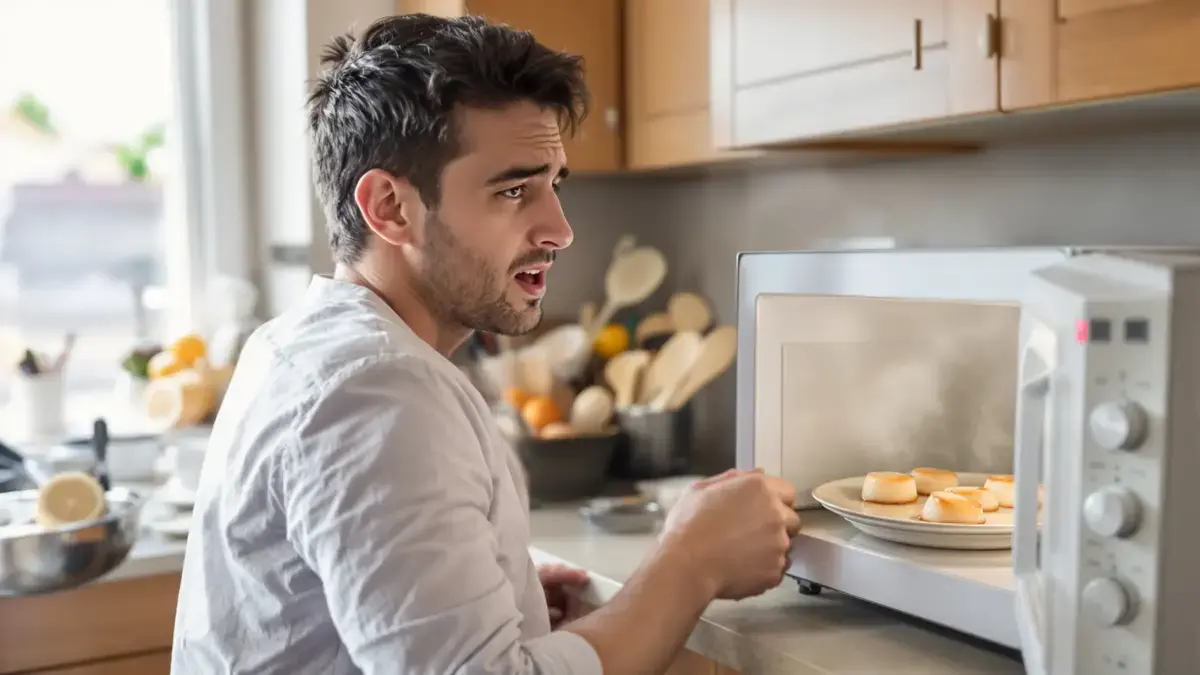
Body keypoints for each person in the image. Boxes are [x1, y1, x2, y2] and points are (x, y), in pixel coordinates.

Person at [170, 13, 801, 675]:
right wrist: (689, 563)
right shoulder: (378, 389)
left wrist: (513, 606)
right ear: (389, 206)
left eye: (553, 185)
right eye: (513, 190)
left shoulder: (297, 344)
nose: (560, 229)